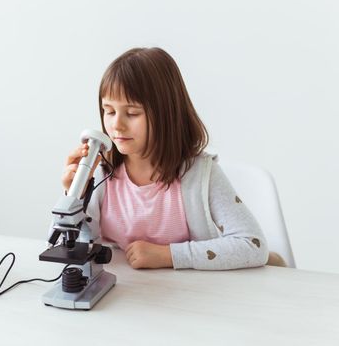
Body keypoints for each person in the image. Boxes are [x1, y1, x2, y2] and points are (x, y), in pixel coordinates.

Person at [62, 47, 284, 270]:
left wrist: (168, 255)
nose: (116, 125)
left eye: (132, 113)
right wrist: (75, 196)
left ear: (166, 113)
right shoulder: (101, 171)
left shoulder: (200, 174)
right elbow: (69, 247)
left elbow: (253, 245)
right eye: (109, 111)